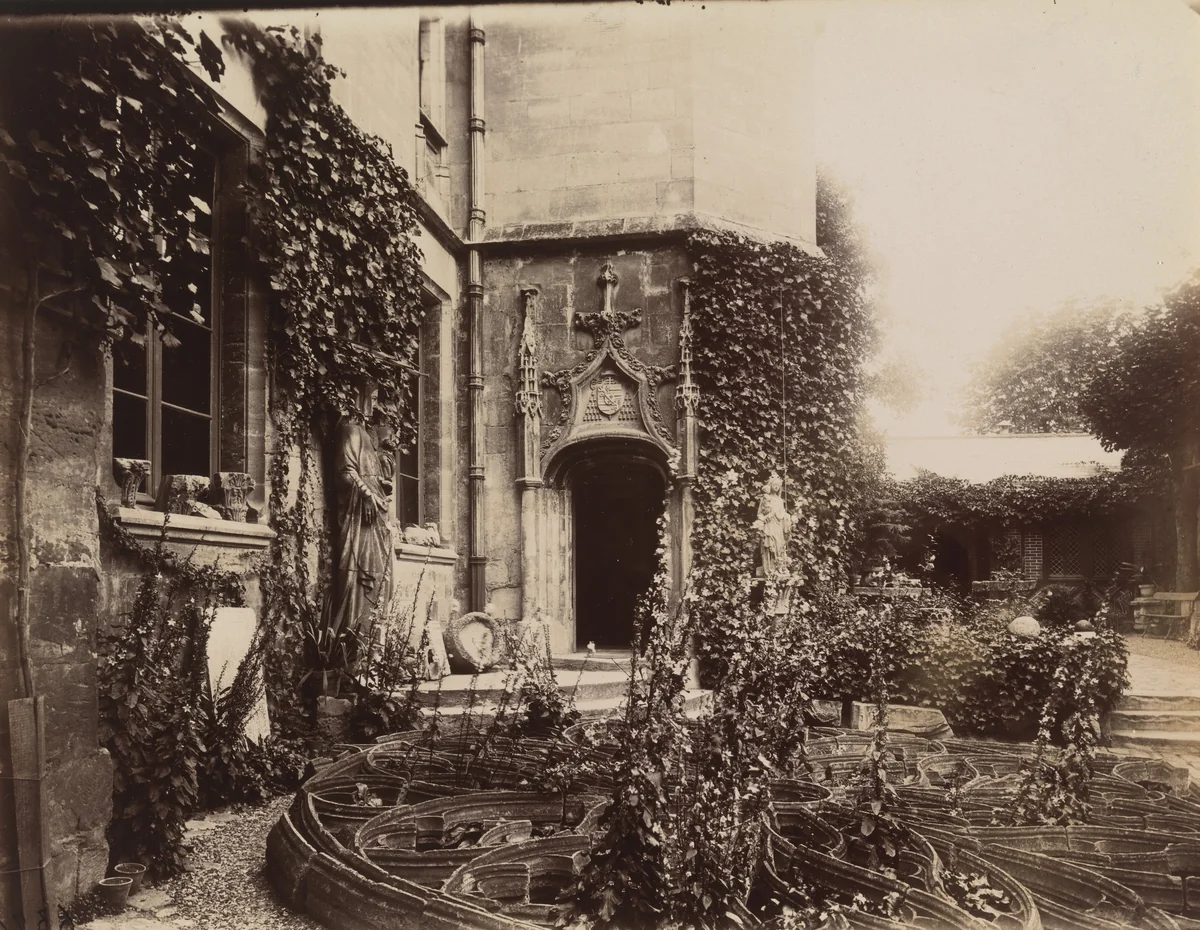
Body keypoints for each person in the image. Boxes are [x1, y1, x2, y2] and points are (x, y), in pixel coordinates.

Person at [331, 378, 394, 656]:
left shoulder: (367, 433)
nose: (374, 400)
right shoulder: (349, 429)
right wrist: (366, 494)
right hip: (359, 517)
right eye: (370, 393)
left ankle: (372, 650)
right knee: (356, 576)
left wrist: (379, 487)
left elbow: (376, 475)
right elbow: (344, 472)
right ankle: (354, 650)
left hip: (375, 516)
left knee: (381, 577)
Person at [756, 472, 791, 577]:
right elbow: (759, 514)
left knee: (779, 546)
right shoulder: (766, 499)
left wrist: (787, 517)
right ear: (770, 486)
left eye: (778, 486)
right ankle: (770, 569)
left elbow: (782, 514)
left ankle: (779, 567)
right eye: (774, 485)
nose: (776, 487)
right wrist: (764, 519)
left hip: (779, 527)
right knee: (769, 546)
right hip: (769, 526)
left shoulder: (780, 500)